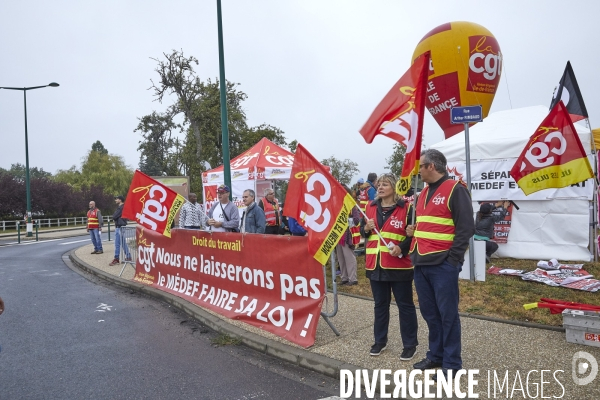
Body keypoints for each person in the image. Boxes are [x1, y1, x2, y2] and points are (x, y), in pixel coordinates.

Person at [406, 149, 475, 377]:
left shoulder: (456, 189)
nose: (418, 172)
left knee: (448, 315)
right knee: (430, 314)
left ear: (431, 166)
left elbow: (466, 227)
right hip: (422, 263)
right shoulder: (423, 193)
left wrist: (453, 259)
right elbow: (430, 224)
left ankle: (452, 365)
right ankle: (435, 356)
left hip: (443, 265)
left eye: (421, 167)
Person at [361, 173, 418, 361]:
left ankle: (410, 345)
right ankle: (380, 341)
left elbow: (413, 236)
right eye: (379, 184)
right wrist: (366, 229)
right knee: (380, 305)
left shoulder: (408, 208)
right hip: (375, 265)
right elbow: (363, 232)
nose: (380, 187)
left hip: (399, 265)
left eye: (385, 184)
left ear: (394, 187)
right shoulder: (369, 207)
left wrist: (401, 247)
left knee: (405, 306)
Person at [336, 184, 361, 286]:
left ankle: (352, 278)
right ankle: (344, 277)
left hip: (347, 235)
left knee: (349, 257)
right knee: (340, 257)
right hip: (338, 235)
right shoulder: (336, 205)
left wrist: (346, 221)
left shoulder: (351, 206)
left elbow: (356, 220)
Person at [109, 196, 132, 266]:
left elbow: (114, 216)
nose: (115, 200)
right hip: (120, 226)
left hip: (120, 226)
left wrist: (115, 217)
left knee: (117, 243)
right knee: (123, 242)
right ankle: (128, 256)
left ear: (120, 200)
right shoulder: (122, 207)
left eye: (116, 199)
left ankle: (116, 258)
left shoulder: (121, 207)